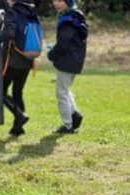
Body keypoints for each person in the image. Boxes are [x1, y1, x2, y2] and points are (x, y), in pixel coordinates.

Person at [0, 0, 42, 137]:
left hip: (13, 60)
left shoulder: (11, 12)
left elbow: (10, 34)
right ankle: (18, 128)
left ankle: (19, 115)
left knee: (0, 90)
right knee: (17, 91)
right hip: (28, 58)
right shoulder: (32, 12)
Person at [47, 0, 89, 134]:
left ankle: (68, 125)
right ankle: (75, 115)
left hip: (66, 61)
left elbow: (63, 43)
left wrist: (52, 54)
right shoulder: (76, 17)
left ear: (68, 3)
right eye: (55, 0)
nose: (56, 4)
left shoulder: (67, 20)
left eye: (61, 1)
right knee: (65, 89)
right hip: (76, 61)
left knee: (61, 93)